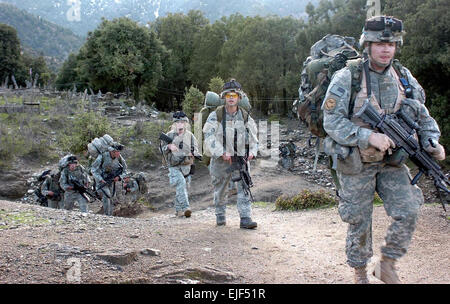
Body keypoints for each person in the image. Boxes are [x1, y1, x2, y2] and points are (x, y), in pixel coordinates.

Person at [321, 16, 445, 284]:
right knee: (359, 220)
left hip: (391, 162)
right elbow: (331, 121)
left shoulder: (404, 77)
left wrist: (431, 140)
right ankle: (360, 272)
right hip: (356, 161)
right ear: (368, 44)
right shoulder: (348, 77)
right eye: (379, 43)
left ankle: (387, 263)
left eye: (391, 44)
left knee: (409, 208)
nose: (386, 49)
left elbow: (422, 116)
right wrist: (367, 136)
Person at [203, 79, 259, 229]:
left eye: (234, 95)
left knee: (244, 186)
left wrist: (252, 152)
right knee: (220, 189)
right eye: (228, 95)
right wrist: (221, 152)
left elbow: (254, 139)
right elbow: (208, 137)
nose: (231, 97)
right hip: (221, 161)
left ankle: (245, 218)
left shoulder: (245, 116)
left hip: (240, 158)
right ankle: (220, 215)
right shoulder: (216, 115)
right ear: (224, 97)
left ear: (239, 97)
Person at [162, 111, 200, 218]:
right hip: (174, 166)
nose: (180, 124)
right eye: (177, 122)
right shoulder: (169, 135)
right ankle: (186, 208)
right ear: (174, 124)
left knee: (182, 187)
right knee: (181, 183)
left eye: (182, 122)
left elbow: (196, 149)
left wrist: (192, 152)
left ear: (186, 123)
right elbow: (161, 149)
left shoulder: (190, 135)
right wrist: (169, 147)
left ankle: (178, 210)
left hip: (186, 166)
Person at [91, 143, 128, 216]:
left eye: (119, 152)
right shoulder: (102, 156)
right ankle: (107, 215)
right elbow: (93, 169)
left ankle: (110, 215)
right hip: (102, 181)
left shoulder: (119, 158)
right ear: (112, 151)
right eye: (117, 152)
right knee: (106, 196)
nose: (118, 153)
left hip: (112, 182)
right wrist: (100, 179)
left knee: (112, 198)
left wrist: (119, 177)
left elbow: (125, 170)